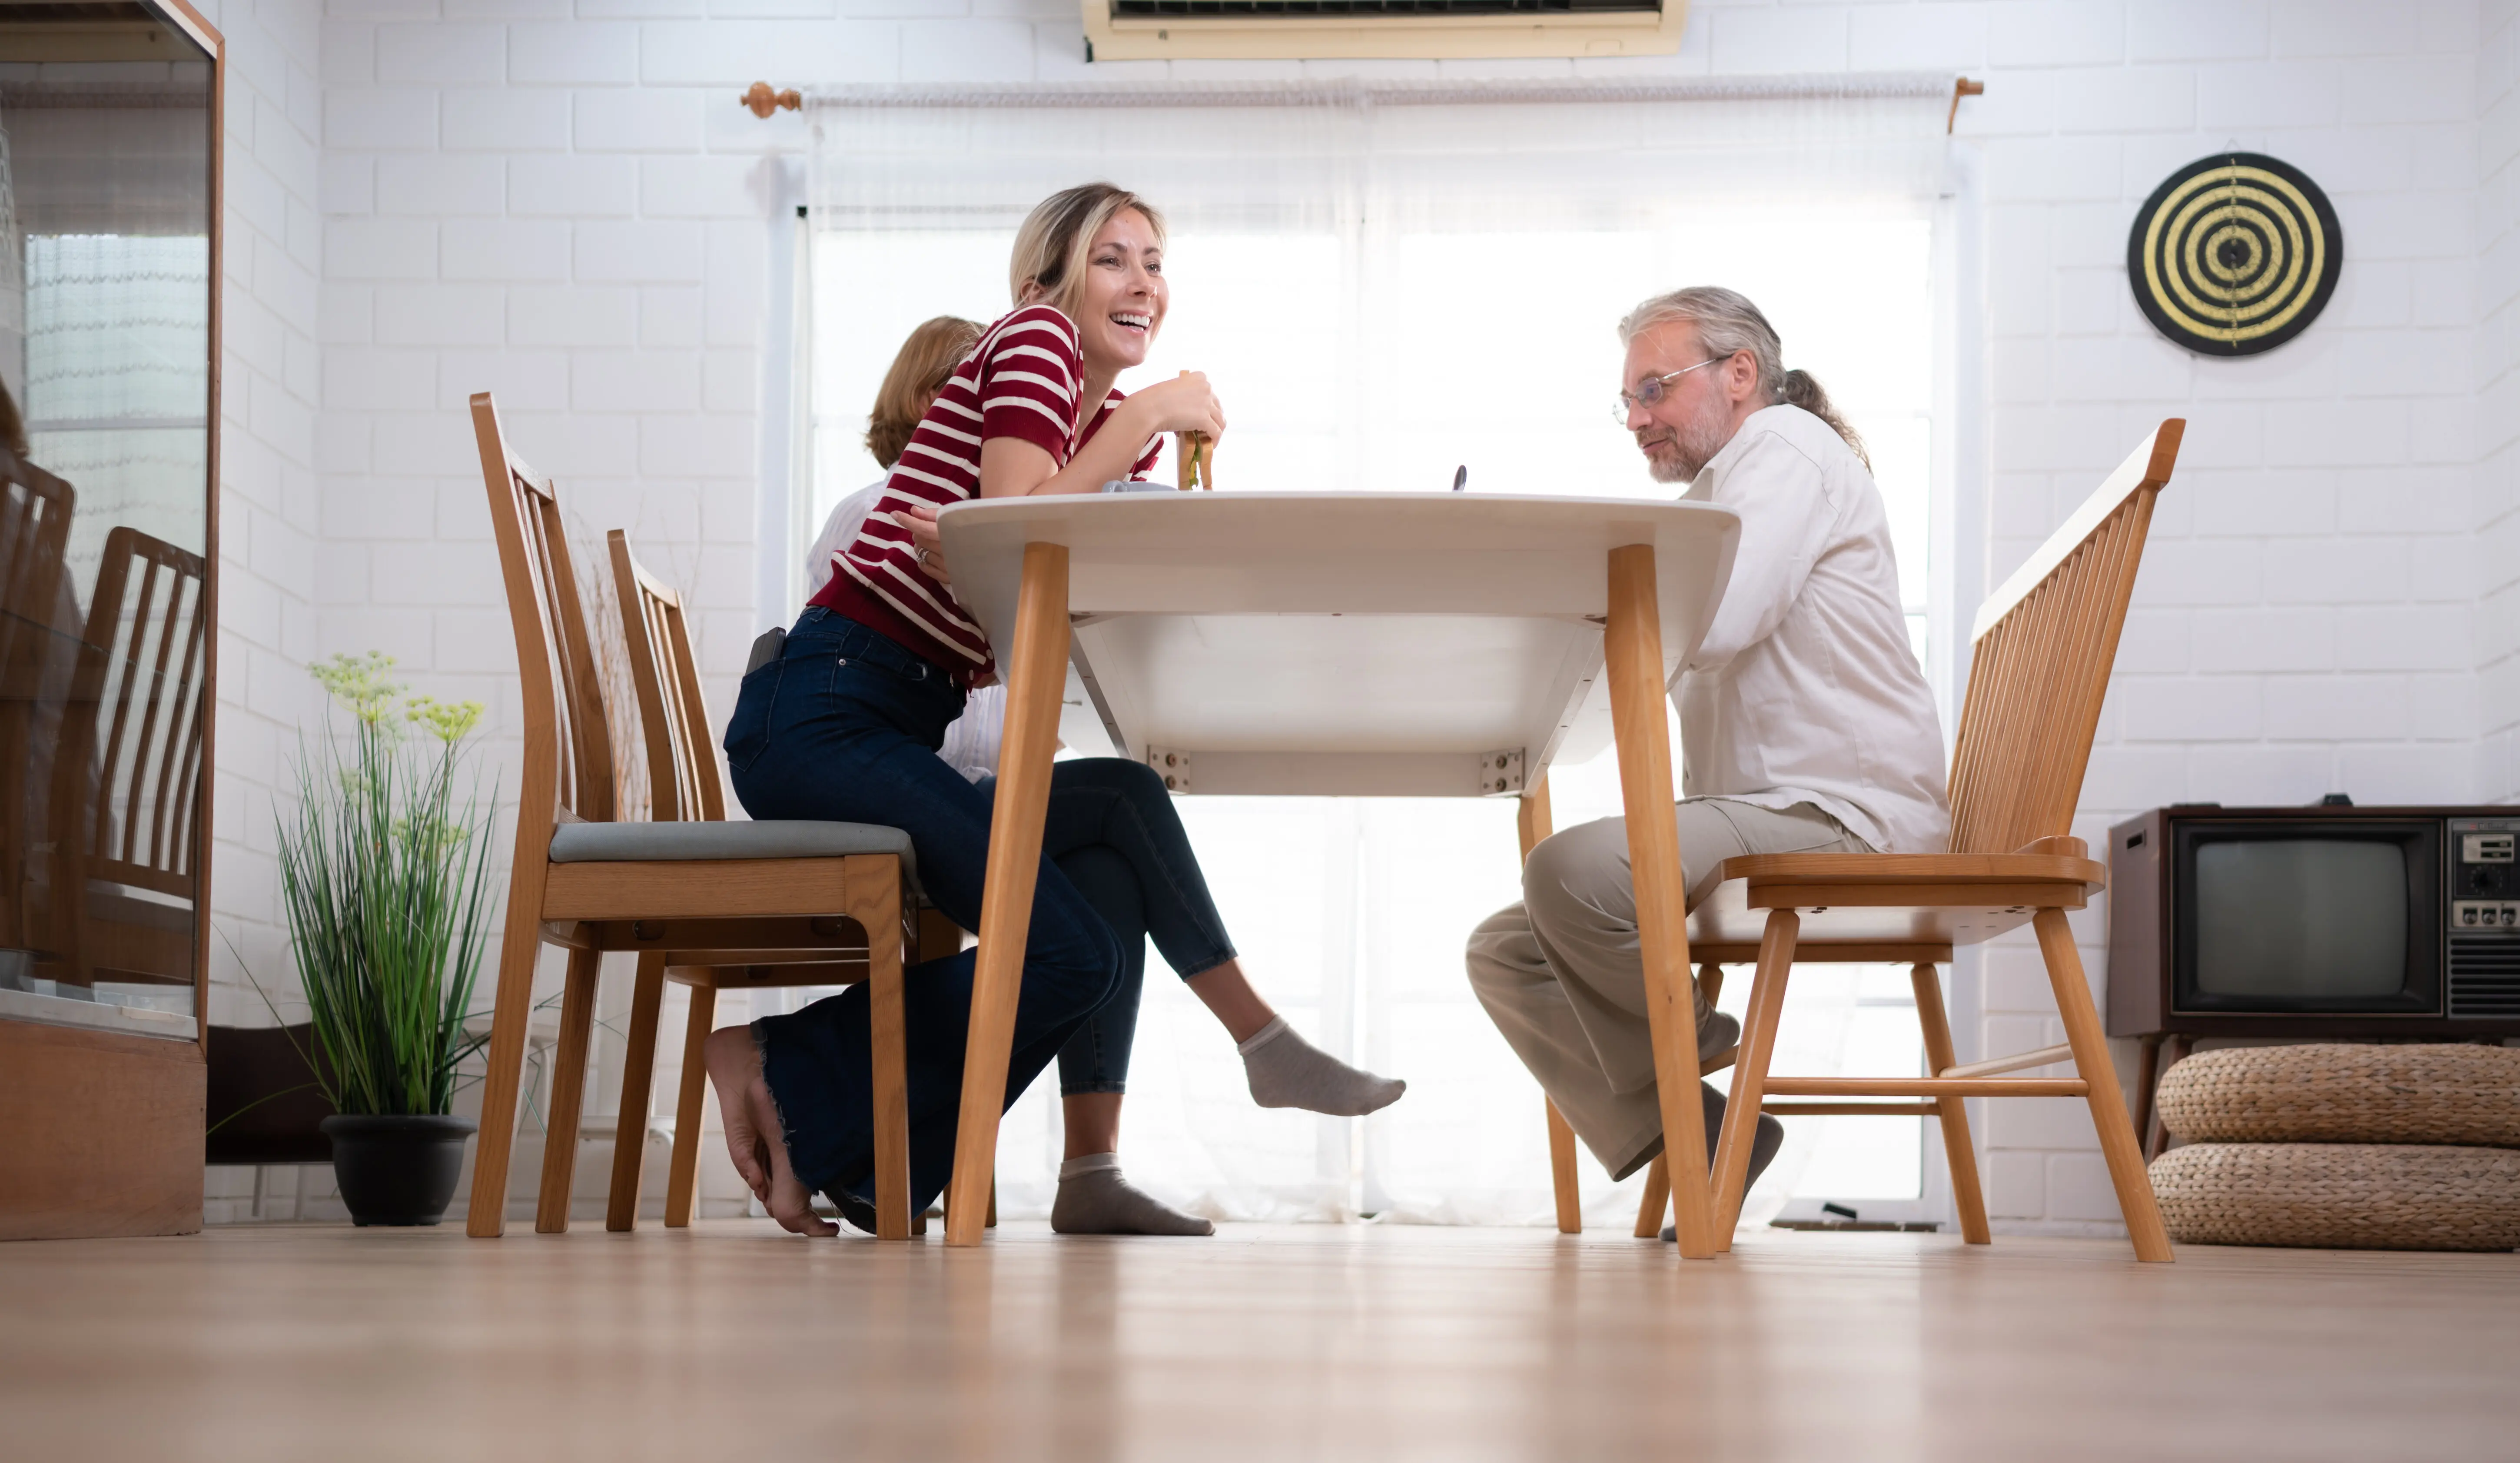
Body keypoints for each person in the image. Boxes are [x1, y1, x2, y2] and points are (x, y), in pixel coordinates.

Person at [713, 183, 1404, 1239]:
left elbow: (1006, 566)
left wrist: (1114, 469)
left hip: (886, 713)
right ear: (1048, 281)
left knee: (1118, 805)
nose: (1144, 285)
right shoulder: (1034, 340)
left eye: (1156, 262)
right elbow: (1009, 533)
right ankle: (772, 1060)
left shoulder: (1088, 421)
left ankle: (890, 1159)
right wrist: (1140, 420)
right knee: (1075, 948)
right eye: (1114, 259)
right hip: (825, 712)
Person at [1464, 286, 1951, 1229]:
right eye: (1629, 400)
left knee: (1569, 869)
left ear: (1739, 375)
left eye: (1656, 389)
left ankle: (1685, 1040)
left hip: (1840, 815)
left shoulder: (1785, 449)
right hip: (1776, 812)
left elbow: (1719, 624)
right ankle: (1713, 1120)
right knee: (1505, 951)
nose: (1639, 418)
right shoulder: (1718, 494)